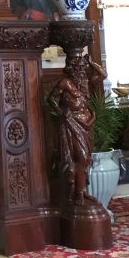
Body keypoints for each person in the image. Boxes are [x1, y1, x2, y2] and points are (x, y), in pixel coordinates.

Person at [47, 53, 103, 205]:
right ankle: (76, 193)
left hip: (86, 123)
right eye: (79, 68)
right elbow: (51, 99)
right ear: (71, 69)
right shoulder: (65, 83)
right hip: (71, 123)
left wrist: (92, 63)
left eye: (83, 68)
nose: (81, 71)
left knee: (86, 159)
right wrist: (61, 112)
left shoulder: (85, 82)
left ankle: (82, 192)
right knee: (80, 157)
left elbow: (102, 75)